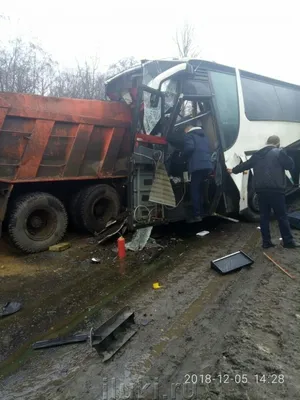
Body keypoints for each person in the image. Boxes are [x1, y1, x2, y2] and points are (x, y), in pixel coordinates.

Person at [228, 135, 299, 249]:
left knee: (264, 216)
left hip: (261, 191)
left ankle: (266, 242)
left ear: (267, 142)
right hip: (276, 190)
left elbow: (245, 165)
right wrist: (284, 153)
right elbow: (290, 166)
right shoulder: (279, 152)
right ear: (277, 143)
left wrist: (233, 170)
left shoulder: (257, 154)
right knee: (282, 216)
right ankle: (288, 241)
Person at [182, 121, 213, 222]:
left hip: (197, 166)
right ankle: (203, 211)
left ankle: (197, 215)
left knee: (194, 189)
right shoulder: (204, 135)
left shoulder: (189, 135)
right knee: (201, 188)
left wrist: (183, 155)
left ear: (187, 129)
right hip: (207, 165)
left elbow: (189, 148)